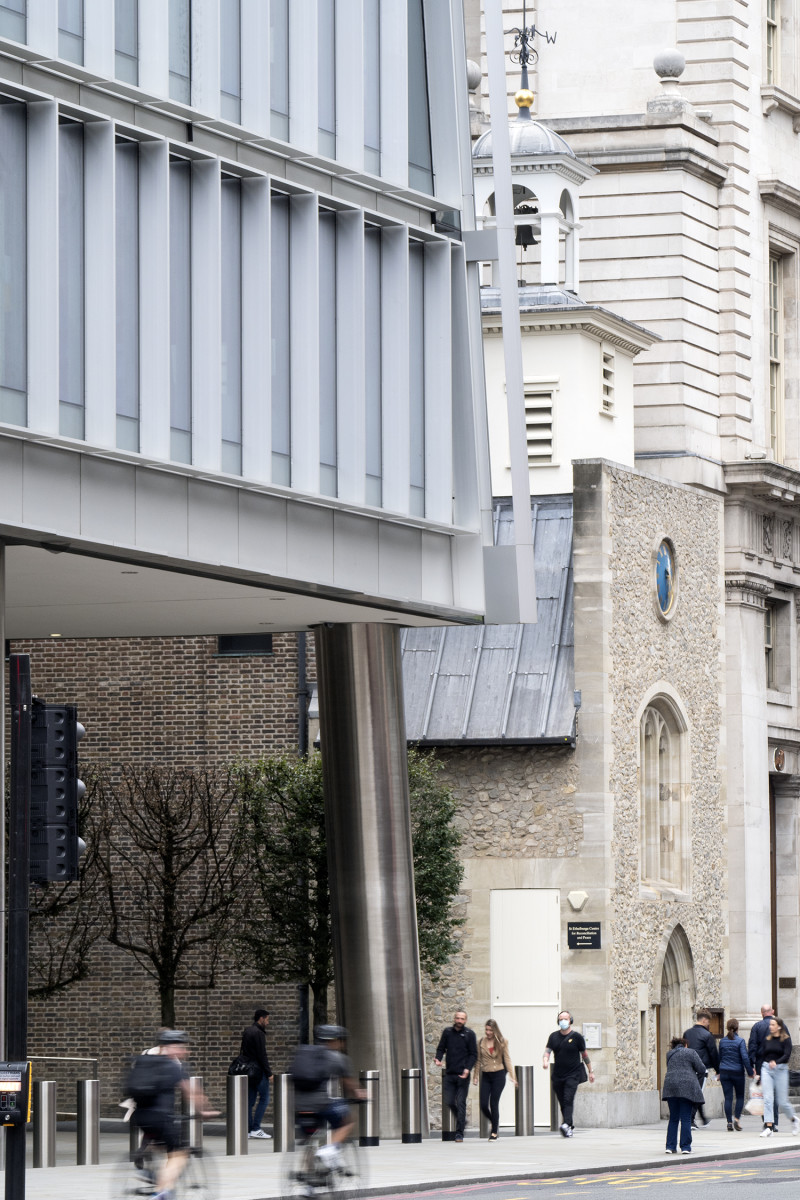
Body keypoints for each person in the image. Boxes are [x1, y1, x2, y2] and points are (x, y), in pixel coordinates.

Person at [129, 1029, 218, 1200]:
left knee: (162, 1145)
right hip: (161, 1117)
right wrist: (204, 1112)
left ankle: (151, 1174)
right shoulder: (173, 1065)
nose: (185, 1051)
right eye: (181, 1047)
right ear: (170, 1047)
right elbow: (191, 1093)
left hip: (139, 1115)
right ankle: (160, 1193)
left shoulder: (145, 1060)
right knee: (180, 1153)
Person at [290, 1025, 366, 1169]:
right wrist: (360, 1093)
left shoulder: (304, 1054)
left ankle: (309, 1184)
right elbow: (349, 1084)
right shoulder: (337, 1057)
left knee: (311, 1144)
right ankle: (330, 1149)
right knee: (347, 1121)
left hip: (300, 1107)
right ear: (335, 1040)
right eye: (341, 1040)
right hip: (322, 1104)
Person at [542, 1011, 594, 1138]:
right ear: (558, 1021)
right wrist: (545, 1060)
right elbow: (547, 1051)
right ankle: (569, 1126)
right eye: (561, 1019)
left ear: (570, 1020)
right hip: (558, 1075)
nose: (563, 1021)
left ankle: (566, 1124)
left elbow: (585, 1055)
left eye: (565, 1018)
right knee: (563, 1102)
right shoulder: (553, 1036)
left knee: (568, 1098)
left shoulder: (577, 1037)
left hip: (573, 1074)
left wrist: (591, 1071)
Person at [434, 1009, 478, 1143]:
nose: (459, 1021)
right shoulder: (447, 1032)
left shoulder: (470, 1034)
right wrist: (438, 1058)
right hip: (450, 1073)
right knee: (449, 1101)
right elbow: (441, 1048)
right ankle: (462, 1121)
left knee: (461, 1103)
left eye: (462, 1019)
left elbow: (473, 1054)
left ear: (465, 1020)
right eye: (457, 1018)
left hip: (463, 1074)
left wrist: (467, 1069)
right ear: (454, 1019)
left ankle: (459, 1133)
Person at [473, 1018, 517, 1140]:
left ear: (495, 1030)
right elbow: (478, 1060)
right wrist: (475, 1076)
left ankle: (494, 1131)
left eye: (490, 1030)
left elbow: (507, 1059)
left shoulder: (502, 1042)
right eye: (486, 1030)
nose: (488, 1032)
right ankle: (494, 1121)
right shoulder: (481, 1042)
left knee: (494, 1102)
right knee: (483, 1104)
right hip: (486, 1075)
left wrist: (512, 1077)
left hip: (498, 1075)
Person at [662, 1035, 706, 1154]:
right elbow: (701, 1069)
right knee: (686, 1118)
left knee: (673, 1118)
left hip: (670, 1086)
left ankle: (670, 1147)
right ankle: (685, 1147)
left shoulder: (669, 1054)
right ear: (685, 1045)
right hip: (686, 1087)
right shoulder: (691, 1052)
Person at [757, 1016, 799, 1137]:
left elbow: (787, 1055)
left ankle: (793, 1120)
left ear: (779, 1026)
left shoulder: (786, 1039)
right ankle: (769, 1127)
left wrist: (777, 1062)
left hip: (781, 1070)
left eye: (773, 1025)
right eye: (770, 1025)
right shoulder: (767, 1039)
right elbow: (763, 1055)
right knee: (768, 1099)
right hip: (767, 1069)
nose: (770, 1027)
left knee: (782, 1101)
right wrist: (759, 1072)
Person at [239, 1007, 274, 1139]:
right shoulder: (258, 1033)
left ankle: (247, 1130)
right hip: (258, 1072)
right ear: (261, 1018)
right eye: (267, 1019)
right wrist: (269, 1073)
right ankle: (256, 1128)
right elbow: (262, 1055)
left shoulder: (247, 1031)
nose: (268, 1022)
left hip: (248, 1071)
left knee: (250, 1101)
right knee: (265, 1099)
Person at [682, 1009, 719, 1127]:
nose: (708, 1025)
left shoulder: (687, 1033)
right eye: (708, 1022)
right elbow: (713, 1054)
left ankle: (702, 1118)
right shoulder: (707, 1035)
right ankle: (691, 1120)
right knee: (697, 1094)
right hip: (701, 1069)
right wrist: (719, 1070)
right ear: (704, 1020)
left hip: (688, 1068)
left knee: (694, 1093)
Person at [717, 1017, 753, 1130]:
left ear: (727, 1028)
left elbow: (720, 1058)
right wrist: (750, 1072)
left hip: (724, 1072)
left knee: (728, 1098)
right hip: (737, 1072)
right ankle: (737, 1120)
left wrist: (719, 1072)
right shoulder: (740, 1041)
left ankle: (729, 1122)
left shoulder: (722, 1041)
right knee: (740, 1097)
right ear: (737, 1028)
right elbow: (745, 1058)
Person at [748, 1004, 777, 1131]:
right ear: (772, 1011)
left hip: (761, 1063)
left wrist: (751, 1065)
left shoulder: (757, 1026)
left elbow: (752, 1046)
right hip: (776, 1063)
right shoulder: (780, 1025)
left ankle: (767, 1122)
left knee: (763, 1093)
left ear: (761, 1013)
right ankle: (774, 1123)